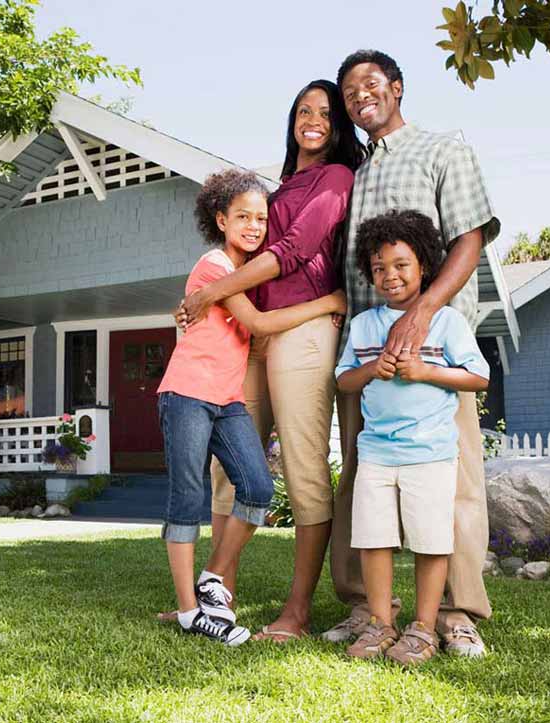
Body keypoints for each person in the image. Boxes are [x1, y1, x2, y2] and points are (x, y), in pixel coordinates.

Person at [323, 50, 500, 657]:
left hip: (433, 353)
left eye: (370, 85)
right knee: (362, 479)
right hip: (367, 352)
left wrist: (421, 316)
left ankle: (453, 613)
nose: (359, 97)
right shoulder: (355, 169)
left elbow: (470, 237)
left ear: (397, 88)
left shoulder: (442, 147)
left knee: (452, 485)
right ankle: (367, 610)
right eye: (349, 92)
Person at [177, 79, 364, 642]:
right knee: (227, 471)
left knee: (305, 471)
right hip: (253, 335)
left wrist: (210, 292)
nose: (313, 120)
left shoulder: (336, 178)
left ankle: (297, 612)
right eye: (303, 111)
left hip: (306, 329)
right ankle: (215, 602)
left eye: (325, 113)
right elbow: (248, 249)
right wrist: (210, 293)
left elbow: (292, 253)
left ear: (339, 125)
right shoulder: (280, 189)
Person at [157, 168, 347, 645]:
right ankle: (187, 611)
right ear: (220, 219)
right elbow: (259, 325)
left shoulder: (241, 272)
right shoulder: (216, 268)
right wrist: (328, 302)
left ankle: (213, 576)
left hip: (225, 399)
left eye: (261, 219)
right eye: (242, 216)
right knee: (186, 499)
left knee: (259, 487)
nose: (254, 226)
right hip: (187, 394)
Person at [335, 210, 489, 666]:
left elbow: (479, 377)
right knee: (373, 539)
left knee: (429, 541)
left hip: (430, 454)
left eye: (401, 265)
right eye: (379, 268)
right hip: (376, 456)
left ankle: (423, 627)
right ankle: (382, 624)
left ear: (424, 264)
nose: (390, 276)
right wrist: (370, 369)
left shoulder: (446, 322)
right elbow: (344, 380)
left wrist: (425, 371)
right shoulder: (364, 325)